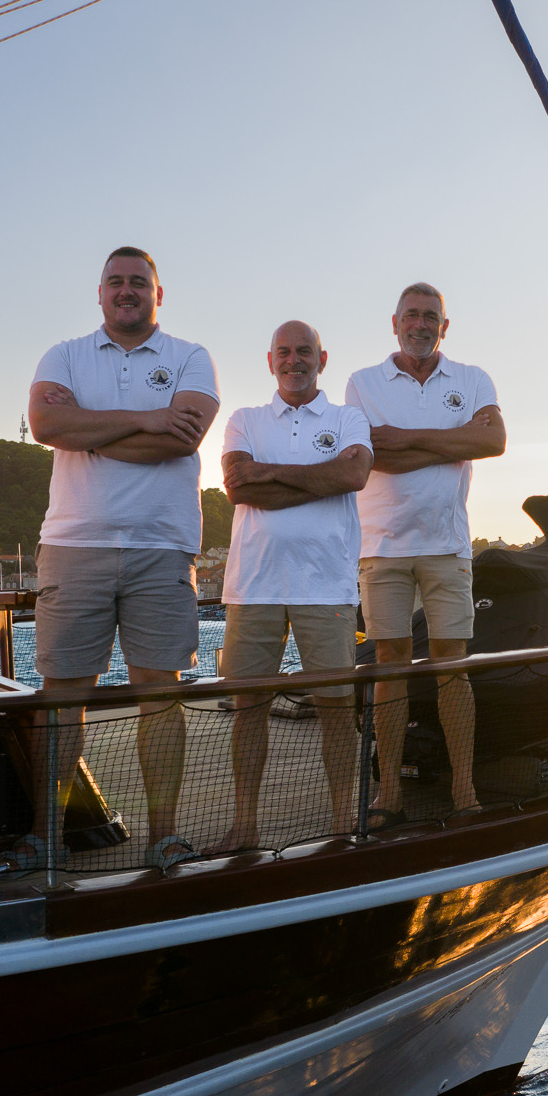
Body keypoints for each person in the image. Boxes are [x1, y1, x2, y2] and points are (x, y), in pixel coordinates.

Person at [18, 247, 219, 867]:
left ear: (158, 294)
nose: (126, 290)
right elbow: (47, 426)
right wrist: (148, 420)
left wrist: (91, 430)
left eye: (138, 282)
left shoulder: (191, 357)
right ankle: (47, 836)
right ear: (100, 292)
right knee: (62, 694)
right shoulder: (63, 355)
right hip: (74, 544)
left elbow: (182, 438)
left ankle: (164, 836)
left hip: (163, 546)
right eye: (115, 282)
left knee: (160, 691)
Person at [345, 282, 506, 821]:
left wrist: (404, 435)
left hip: (448, 545)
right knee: (389, 665)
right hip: (382, 546)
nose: (421, 324)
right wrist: (453, 439)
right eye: (411, 315)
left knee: (452, 666)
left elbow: (492, 442)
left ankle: (464, 791)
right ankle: (389, 792)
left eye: (431, 316)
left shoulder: (472, 378)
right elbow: (372, 455)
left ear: (445, 326)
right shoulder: (362, 382)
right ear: (395, 324)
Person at [216, 321, 373, 851]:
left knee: (336, 709)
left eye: (304, 351)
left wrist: (270, 473)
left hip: (327, 586)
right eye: (283, 352)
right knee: (248, 709)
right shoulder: (244, 419)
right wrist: (319, 476)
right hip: (253, 586)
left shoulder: (348, 418)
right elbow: (237, 486)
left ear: (321, 359)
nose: (293, 360)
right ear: (270, 361)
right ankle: (244, 825)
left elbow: (353, 476)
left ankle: (342, 821)